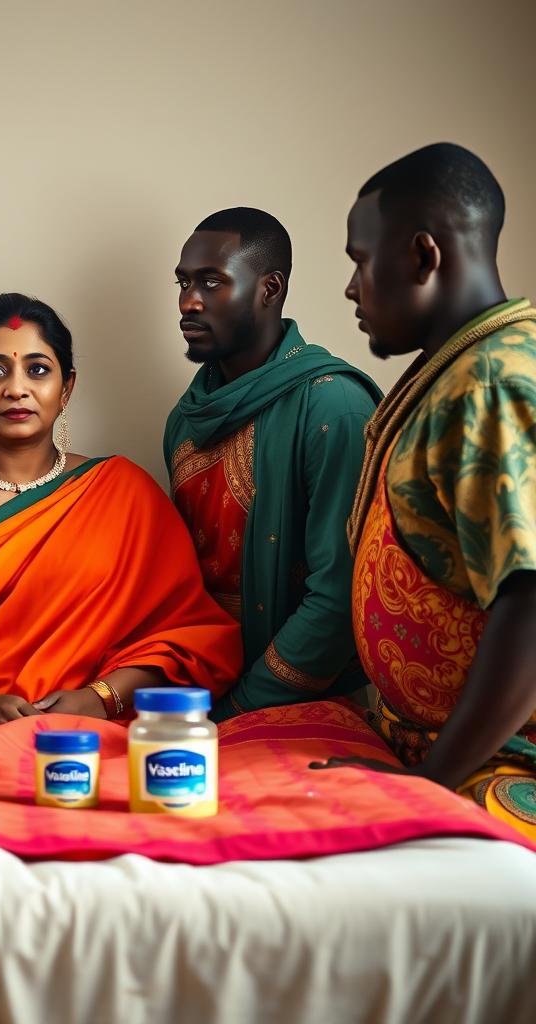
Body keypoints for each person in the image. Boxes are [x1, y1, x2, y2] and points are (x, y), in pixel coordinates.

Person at [0, 293, 243, 724]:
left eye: (38, 369)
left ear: (66, 388)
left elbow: (187, 636)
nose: (16, 388)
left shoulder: (124, 492)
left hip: (85, 736)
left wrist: (99, 698)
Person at [311, 143, 536, 838]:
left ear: (421, 257)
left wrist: (428, 786)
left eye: (358, 258)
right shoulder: (460, 366)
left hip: (499, 762)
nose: (351, 286)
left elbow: (530, 599)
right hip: (427, 745)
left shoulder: (492, 379)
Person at [165, 208, 381, 721]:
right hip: (201, 694)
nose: (188, 302)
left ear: (270, 288)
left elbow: (340, 593)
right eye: (183, 282)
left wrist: (241, 707)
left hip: (311, 707)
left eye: (212, 282)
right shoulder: (186, 418)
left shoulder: (333, 406)